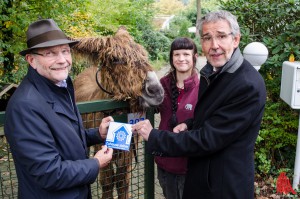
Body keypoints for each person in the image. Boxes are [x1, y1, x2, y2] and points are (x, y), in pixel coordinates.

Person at [132, 10, 266, 199]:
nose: (214, 45)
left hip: (222, 186)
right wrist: (189, 124)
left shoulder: (246, 85)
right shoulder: (213, 74)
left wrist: (155, 136)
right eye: (207, 38)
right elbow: (211, 116)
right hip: (203, 177)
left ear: (236, 40)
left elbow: (208, 139)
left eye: (221, 36)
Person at [4, 19, 114, 199]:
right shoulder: (25, 106)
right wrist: (95, 163)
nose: (62, 60)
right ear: (31, 60)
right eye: (50, 53)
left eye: (65, 51)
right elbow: (48, 172)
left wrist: (97, 134)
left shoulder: (60, 87)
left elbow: (63, 140)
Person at [155, 37, 199, 199]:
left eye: (186, 54)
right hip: (164, 161)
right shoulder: (162, 84)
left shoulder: (203, 88)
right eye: (177, 54)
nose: (181, 59)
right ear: (171, 58)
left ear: (194, 57)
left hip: (189, 165)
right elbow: (146, 106)